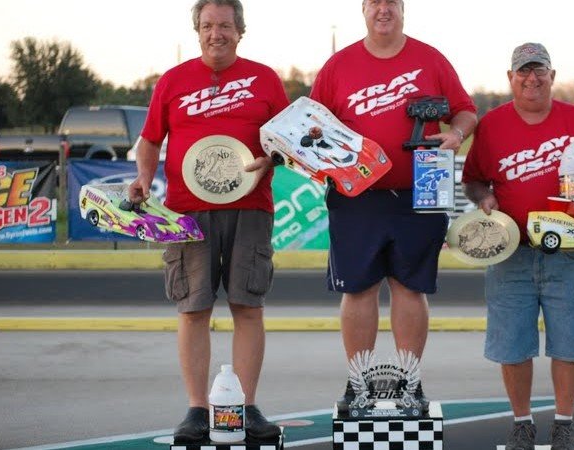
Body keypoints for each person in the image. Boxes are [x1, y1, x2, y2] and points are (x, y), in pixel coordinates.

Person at [127, 0, 289, 444]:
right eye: (208, 25)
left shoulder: (265, 79)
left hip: (251, 206)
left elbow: (287, 139)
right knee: (193, 308)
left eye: (225, 25)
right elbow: (149, 140)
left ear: (240, 31)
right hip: (186, 211)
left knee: (248, 306)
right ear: (197, 31)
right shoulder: (173, 80)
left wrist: (272, 157)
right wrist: (144, 177)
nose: (216, 33)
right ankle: (198, 410)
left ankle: (246, 408)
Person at [309, 0, 478, 411]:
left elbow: (466, 112)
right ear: (363, 10)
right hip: (355, 193)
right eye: (375, 2)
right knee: (358, 289)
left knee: (410, 287)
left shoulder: (430, 58)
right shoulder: (338, 65)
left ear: (403, 9)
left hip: (420, 189)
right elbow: (313, 124)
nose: (383, 9)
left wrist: (456, 134)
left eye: (391, 2)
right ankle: (358, 383)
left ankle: (409, 383)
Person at [462, 43, 574, 450]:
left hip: (567, 247)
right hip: (511, 249)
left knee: (571, 341)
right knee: (512, 344)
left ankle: (564, 425)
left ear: (552, 75)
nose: (532, 78)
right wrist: (484, 198)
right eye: (523, 71)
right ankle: (522, 424)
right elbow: (473, 179)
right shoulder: (492, 124)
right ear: (510, 78)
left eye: (539, 70)